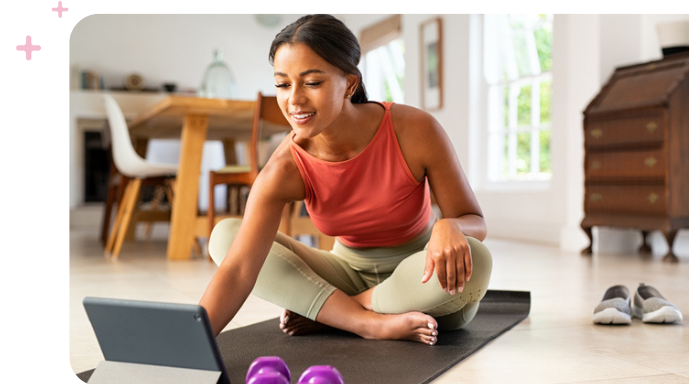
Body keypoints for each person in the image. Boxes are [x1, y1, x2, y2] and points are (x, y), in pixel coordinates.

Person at [199, 14, 492, 346]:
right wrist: (191, 344)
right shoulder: (285, 166)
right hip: (344, 272)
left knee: (477, 259)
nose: (293, 99)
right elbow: (239, 271)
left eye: (311, 82)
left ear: (349, 84)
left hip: (420, 275)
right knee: (225, 237)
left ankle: (339, 312)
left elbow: (475, 221)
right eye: (282, 84)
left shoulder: (415, 130)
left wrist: (450, 226)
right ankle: (365, 322)